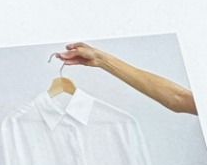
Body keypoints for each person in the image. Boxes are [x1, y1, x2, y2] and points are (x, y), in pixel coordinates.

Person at [57, 42, 198, 116]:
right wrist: (101, 60)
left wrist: (102, 60)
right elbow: (179, 98)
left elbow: (179, 98)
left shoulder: (117, 122)